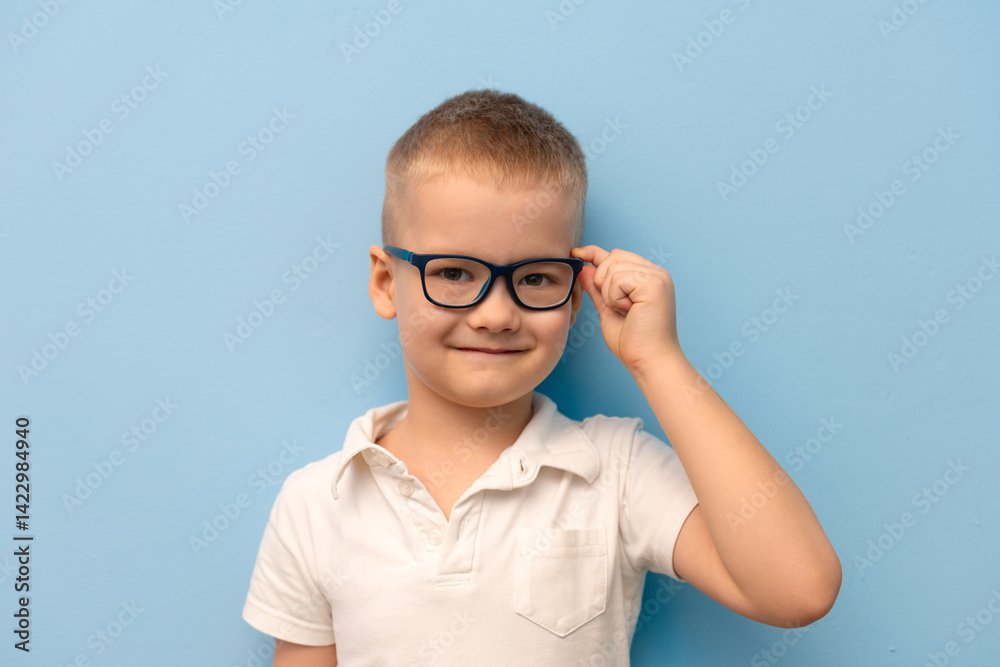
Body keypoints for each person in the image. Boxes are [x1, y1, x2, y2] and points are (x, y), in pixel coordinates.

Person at [242, 89, 841, 666]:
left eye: (534, 278)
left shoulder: (616, 470)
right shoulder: (315, 502)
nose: (496, 315)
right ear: (384, 283)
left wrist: (657, 359)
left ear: (575, 298)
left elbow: (798, 590)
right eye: (453, 273)